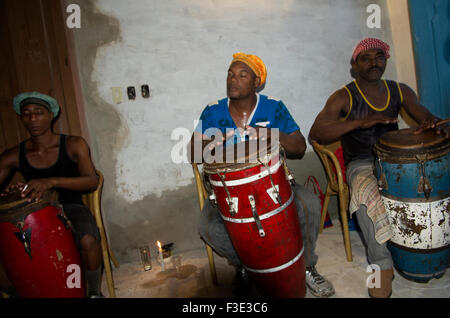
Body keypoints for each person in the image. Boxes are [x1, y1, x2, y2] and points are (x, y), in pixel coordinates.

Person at [309, 38, 449, 298]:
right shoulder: (344, 96)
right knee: (365, 195)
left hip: (395, 162)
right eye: (366, 58)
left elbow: (422, 115)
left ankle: (428, 247)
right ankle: (381, 266)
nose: (374, 62)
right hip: (361, 162)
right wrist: (359, 123)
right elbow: (317, 132)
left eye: (379, 56)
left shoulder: (400, 90)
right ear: (355, 65)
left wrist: (434, 123)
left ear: (386, 60)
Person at [189, 52, 335, 298]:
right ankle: (245, 266)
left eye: (242, 75)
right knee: (208, 227)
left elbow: (299, 147)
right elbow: (193, 153)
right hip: (229, 194)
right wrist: (212, 142)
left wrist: (270, 134)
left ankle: (307, 266)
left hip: (273, 185)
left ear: (257, 82)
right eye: (230, 74)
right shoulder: (213, 112)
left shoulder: (273, 107)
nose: (233, 80)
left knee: (308, 204)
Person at [0, 92, 103, 298]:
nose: (33, 119)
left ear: (52, 116)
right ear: (21, 118)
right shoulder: (14, 154)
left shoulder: (74, 144)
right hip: (33, 216)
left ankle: (93, 292)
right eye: (27, 114)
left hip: (70, 207)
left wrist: (51, 182)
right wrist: (11, 194)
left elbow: (91, 181)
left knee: (89, 241)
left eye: (39, 113)